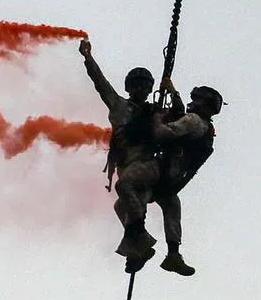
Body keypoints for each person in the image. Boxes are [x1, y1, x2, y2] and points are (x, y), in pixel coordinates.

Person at [78, 38, 165, 272]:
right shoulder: (119, 105)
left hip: (145, 165)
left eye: (144, 86)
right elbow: (101, 84)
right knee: (122, 207)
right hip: (127, 164)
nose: (140, 89)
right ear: (129, 88)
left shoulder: (154, 113)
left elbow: (172, 126)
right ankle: (137, 251)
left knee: (125, 189)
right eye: (136, 85)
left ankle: (140, 236)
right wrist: (88, 58)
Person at [148, 79, 225, 276]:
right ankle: (173, 253)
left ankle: (138, 237)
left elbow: (165, 133)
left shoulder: (193, 120)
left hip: (160, 168)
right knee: (172, 205)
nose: (193, 102)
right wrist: (173, 91)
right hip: (171, 177)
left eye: (196, 99)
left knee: (168, 203)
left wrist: (156, 118)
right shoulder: (205, 129)